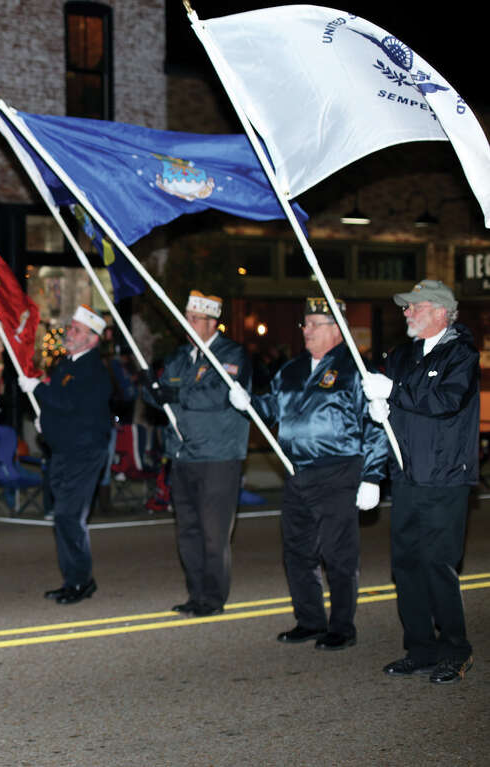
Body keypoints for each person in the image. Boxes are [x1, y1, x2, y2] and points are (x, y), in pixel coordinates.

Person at [229, 297, 386, 650]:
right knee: (297, 552)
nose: (307, 330)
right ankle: (310, 620)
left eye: (315, 324)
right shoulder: (293, 368)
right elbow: (273, 408)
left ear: (336, 329)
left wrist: (372, 477)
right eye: (306, 324)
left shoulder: (355, 369)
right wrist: (249, 402)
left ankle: (342, 627)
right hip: (297, 471)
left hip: (338, 470)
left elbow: (376, 426)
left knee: (338, 554)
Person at [362, 280, 479, 684]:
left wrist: (394, 391)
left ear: (442, 311)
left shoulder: (460, 354)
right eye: (405, 307)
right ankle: (420, 649)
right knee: (407, 566)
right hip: (408, 476)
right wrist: (373, 472)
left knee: (437, 565)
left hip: (445, 478)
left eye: (415, 306)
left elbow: (446, 402)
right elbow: (390, 416)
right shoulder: (401, 356)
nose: (406, 312)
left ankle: (455, 650)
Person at [142, 291, 250, 617]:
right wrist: (151, 389)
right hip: (182, 454)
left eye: (194, 319)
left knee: (213, 533)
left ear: (212, 321)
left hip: (217, 456)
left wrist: (176, 392)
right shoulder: (179, 357)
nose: (188, 324)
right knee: (187, 531)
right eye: (186, 318)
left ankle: (213, 599)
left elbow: (218, 394)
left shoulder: (230, 353)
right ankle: (195, 594)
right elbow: (159, 396)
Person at [19, 305, 113, 605]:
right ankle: (72, 579)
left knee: (68, 516)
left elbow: (69, 402)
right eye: (70, 327)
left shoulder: (94, 370)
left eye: (76, 330)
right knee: (63, 519)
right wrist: (43, 421)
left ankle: (80, 582)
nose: (69, 333)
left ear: (92, 339)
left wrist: (38, 389)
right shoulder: (65, 365)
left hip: (84, 454)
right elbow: (60, 408)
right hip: (62, 453)